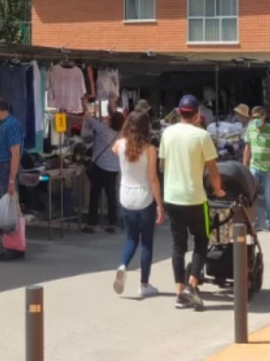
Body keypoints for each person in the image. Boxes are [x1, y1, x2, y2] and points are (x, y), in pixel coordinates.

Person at [159, 95, 225, 311]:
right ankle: (192, 285)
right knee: (201, 240)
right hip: (195, 198)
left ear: (179, 112)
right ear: (197, 114)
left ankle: (180, 293)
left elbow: (162, 164)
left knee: (178, 245)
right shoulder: (202, 136)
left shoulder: (167, 133)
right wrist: (218, 189)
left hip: (172, 197)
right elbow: (213, 169)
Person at [111, 108, 163, 298]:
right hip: (144, 197)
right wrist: (160, 204)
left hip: (125, 195)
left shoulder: (119, 145)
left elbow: (115, 149)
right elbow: (153, 179)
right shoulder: (150, 150)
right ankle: (144, 284)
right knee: (147, 242)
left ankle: (123, 265)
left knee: (131, 238)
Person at [77, 94, 124, 234]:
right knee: (111, 196)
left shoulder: (103, 130)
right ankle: (113, 223)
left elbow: (88, 118)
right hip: (114, 168)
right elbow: (115, 115)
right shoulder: (122, 133)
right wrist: (112, 102)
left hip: (100, 167)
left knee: (95, 194)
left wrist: (84, 103)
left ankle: (92, 224)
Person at [0, 96, 25, 262]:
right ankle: (14, 244)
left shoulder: (10, 125)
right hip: (3, 167)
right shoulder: (5, 125)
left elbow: (15, 153)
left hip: (6, 167)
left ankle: (13, 245)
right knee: (11, 208)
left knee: (11, 209)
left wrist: (11, 180)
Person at [242, 106, 270, 231]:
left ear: (264, 116)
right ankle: (255, 222)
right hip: (254, 166)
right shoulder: (250, 129)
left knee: (268, 196)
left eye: (258, 117)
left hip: (269, 168)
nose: (255, 120)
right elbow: (247, 147)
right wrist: (245, 165)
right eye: (253, 118)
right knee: (251, 195)